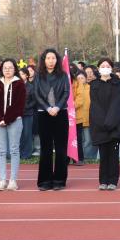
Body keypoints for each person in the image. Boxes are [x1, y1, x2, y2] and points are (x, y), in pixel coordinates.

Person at [32, 48, 70, 191]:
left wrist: (57, 107)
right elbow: (36, 94)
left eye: (53, 58)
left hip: (61, 113)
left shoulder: (63, 75)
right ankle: (45, 180)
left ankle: (59, 180)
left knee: (60, 148)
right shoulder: (38, 76)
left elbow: (66, 92)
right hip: (44, 113)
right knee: (46, 148)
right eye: (48, 58)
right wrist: (48, 108)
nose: (51, 61)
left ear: (57, 60)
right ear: (44, 60)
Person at [0, 59, 26, 191]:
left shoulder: (19, 84)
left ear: (14, 69)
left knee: (14, 150)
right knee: (1, 151)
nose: (7, 70)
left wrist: (7, 119)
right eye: (5, 68)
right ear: (1, 70)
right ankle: (2, 180)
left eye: (10, 67)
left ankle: (13, 180)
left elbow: (19, 105)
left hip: (15, 120)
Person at [89, 58, 120, 190]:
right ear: (98, 68)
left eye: (107, 66)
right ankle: (103, 180)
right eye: (102, 66)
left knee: (113, 155)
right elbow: (95, 105)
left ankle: (113, 181)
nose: (105, 68)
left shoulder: (118, 83)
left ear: (111, 68)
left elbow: (117, 104)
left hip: (114, 125)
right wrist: (102, 122)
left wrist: (110, 122)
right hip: (100, 126)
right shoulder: (94, 84)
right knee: (103, 155)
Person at [72, 69, 91, 166]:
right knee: (75, 139)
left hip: (86, 116)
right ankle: (74, 157)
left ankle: (84, 157)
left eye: (82, 78)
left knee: (86, 139)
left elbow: (82, 101)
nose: (80, 80)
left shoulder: (89, 88)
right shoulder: (74, 86)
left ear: (86, 79)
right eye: (78, 78)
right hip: (75, 116)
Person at [18, 66, 37, 160]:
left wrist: (26, 107)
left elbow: (35, 100)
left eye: (22, 74)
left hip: (28, 114)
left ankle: (27, 154)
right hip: (17, 114)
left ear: (26, 75)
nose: (20, 76)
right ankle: (19, 153)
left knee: (27, 134)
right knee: (19, 134)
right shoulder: (16, 85)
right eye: (19, 74)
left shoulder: (31, 87)